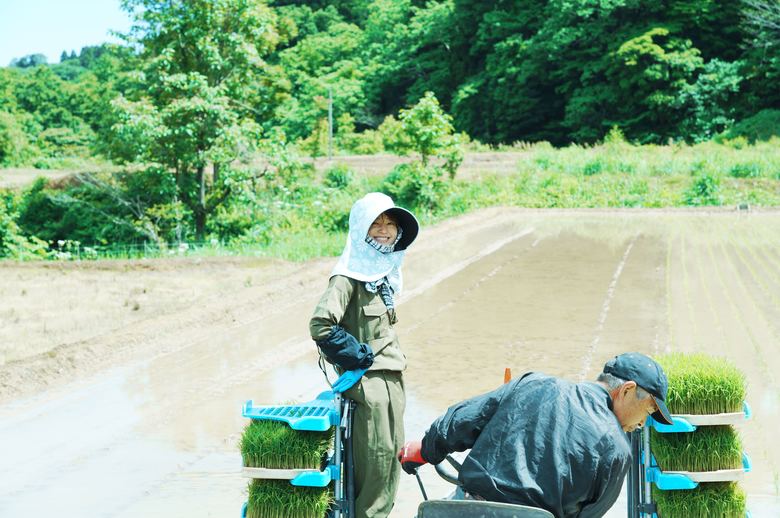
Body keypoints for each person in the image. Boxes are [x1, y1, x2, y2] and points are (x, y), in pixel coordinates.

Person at [398, 352, 674, 518]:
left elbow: (462, 420)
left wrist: (424, 451)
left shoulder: (533, 383)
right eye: (647, 411)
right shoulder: (616, 449)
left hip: (469, 508)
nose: (641, 424)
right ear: (626, 390)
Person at [310, 192, 419, 518]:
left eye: (390, 223)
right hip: (368, 386)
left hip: (392, 382)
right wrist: (355, 355)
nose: (384, 230)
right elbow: (321, 324)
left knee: (391, 462)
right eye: (376, 224)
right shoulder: (347, 277)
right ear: (361, 230)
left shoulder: (383, 274)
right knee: (374, 464)